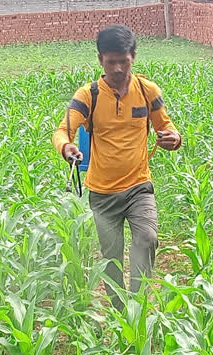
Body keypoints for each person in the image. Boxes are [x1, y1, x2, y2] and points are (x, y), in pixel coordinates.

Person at [52, 24, 182, 310]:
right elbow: (63, 130)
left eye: (124, 61)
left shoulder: (147, 91)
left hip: (139, 187)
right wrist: (66, 147)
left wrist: (175, 138)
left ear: (133, 56)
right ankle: (119, 311)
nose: (118, 68)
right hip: (102, 193)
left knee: (147, 239)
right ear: (101, 60)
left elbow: (166, 126)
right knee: (111, 258)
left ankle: (137, 306)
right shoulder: (89, 95)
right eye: (111, 62)